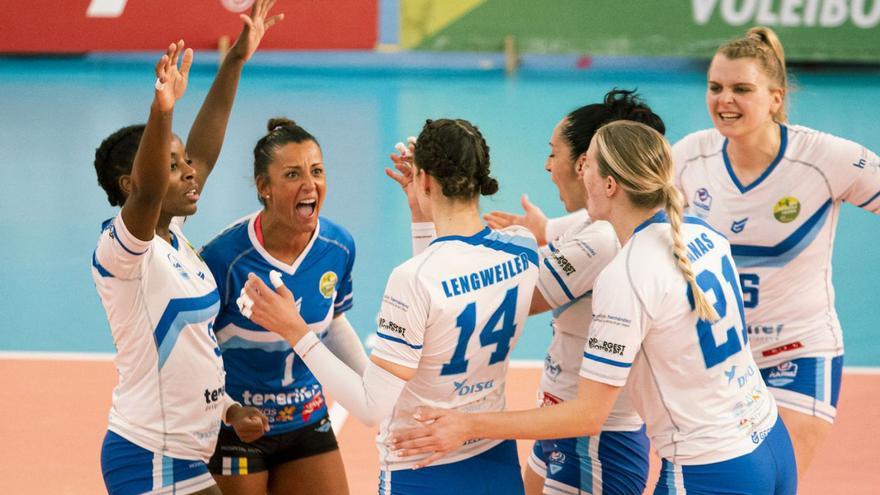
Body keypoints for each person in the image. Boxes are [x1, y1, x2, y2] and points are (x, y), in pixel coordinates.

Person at [388, 121, 798, 495]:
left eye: (589, 166)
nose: (579, 172)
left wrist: (468, 425)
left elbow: (587, 416)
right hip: (771, 440)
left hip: (712, 467)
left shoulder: (627, 274)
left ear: (610, 185)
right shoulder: (702, 234)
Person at [238, 118, 540, 494]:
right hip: (495, 461)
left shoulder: (412, 279)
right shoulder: (522, 247)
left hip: (422, 469)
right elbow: (448, 288)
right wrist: (420, 212)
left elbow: (370, 406)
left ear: (425, 179)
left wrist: (295, 331)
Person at [387, 90, 665, 495]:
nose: (549, 166)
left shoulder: (603, 237)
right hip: (562, 430)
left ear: (587, 164)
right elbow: (552, 235)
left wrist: (439, 199)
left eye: (555, 153)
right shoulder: (595, 222)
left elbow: (481, 301)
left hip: (593, 445)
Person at [672, 26, 880, 478]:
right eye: (716, 87)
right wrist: (552, 229)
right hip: (720, 357)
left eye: (741, 89)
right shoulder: (690, 156)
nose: (724, 100)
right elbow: (635, 215)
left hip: (799, 351)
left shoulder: (824, 157)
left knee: (771, 482)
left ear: (775, 98)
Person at [92, 36, 271, 495]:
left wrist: (234, 61)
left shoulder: (179, 245)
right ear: (130, 183)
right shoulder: (125, 252)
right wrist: (162, 110)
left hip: (187, 452)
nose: (190, 171)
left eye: (184, 161)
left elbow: (193, 353)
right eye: (173, 165)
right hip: (148, 455)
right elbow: (149, 193)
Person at [199, 116, 365, 495]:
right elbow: (194, 354)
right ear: (264, 187)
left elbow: (333, 321)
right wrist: (230, 411)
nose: (310, 184)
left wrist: (373, 389)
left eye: (317, 171)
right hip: (237, 428)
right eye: (293, 174)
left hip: (307, 418)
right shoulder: (225, 258)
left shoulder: (338, 247)